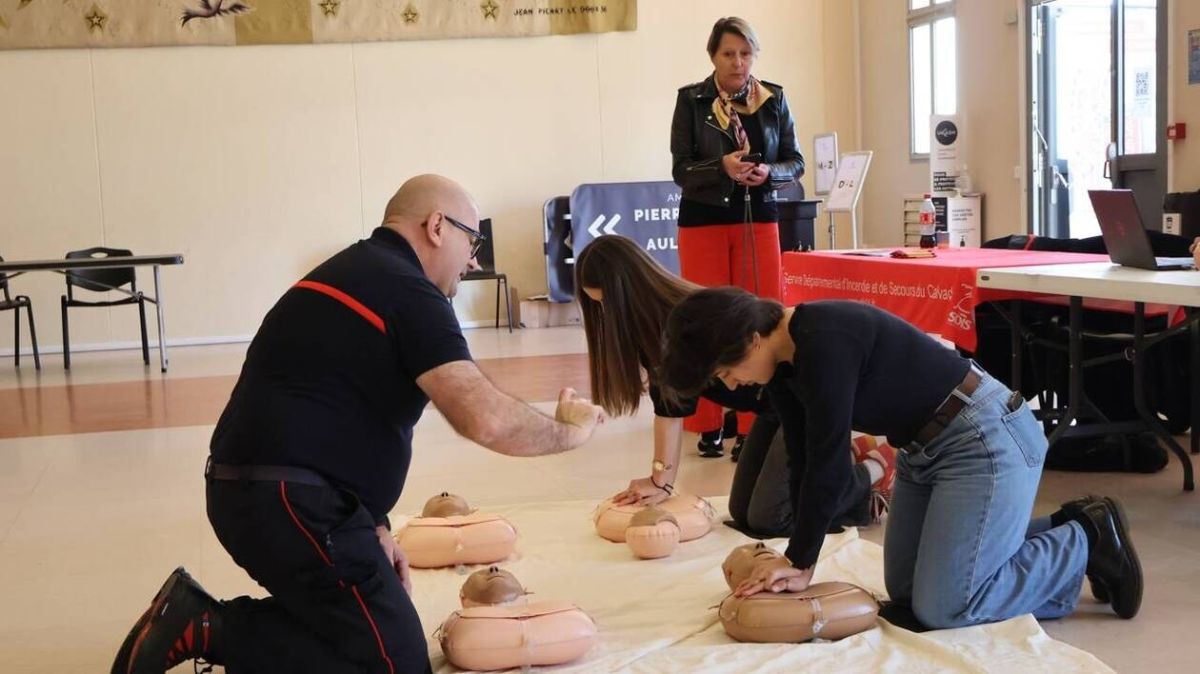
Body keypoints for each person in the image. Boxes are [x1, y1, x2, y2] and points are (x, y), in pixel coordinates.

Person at [111, 175, 605, 674]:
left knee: (363, 626)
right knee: (395, 664)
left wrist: (374, 523)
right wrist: (572, 431)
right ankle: (206, 626)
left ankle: (213, 621)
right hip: (290, 504)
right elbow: (486, 420)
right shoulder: (408, 291)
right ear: (436, 226)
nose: (474, 259)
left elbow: (334, 409)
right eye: (472, 240)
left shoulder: (355, 270)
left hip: (259, 493)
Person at [660, 288, 1144, 628]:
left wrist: (801, 561)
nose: (729, 386)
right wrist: (795, 554)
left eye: (725, 372)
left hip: (985, 440)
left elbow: (829, 462)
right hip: (925, 452)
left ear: (749, 339)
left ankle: (1086, 539)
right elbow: (804, 462)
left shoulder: (823, 337)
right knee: (909, 593)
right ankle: (1071, 523)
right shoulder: (785, 367)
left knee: (946, 606)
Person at [575, 236, 890, 534]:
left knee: (771, 518)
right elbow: (668, 404)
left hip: (800, 401)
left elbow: (671, 408)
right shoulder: (648, 329)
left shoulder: (689, 316)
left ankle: (875, 468)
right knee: (742, 513)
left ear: (628, 292)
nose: (605, 315)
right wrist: (661, 481)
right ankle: (850, 484)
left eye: (607, 305)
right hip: (771, 410)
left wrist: (661, 481)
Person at [670, 16, 805, 457]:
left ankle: (755, 418)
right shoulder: (690, 101)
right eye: (729, 53)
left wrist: (770, 173)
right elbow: (680, 170)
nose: (738, 62)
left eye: (746, 53)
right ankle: (709, 419)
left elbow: (795, 162)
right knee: (707, 317)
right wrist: (720, 168)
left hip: (759, 217)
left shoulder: (774, 99)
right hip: (703, 221)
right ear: (713, 56)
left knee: (761, 318)